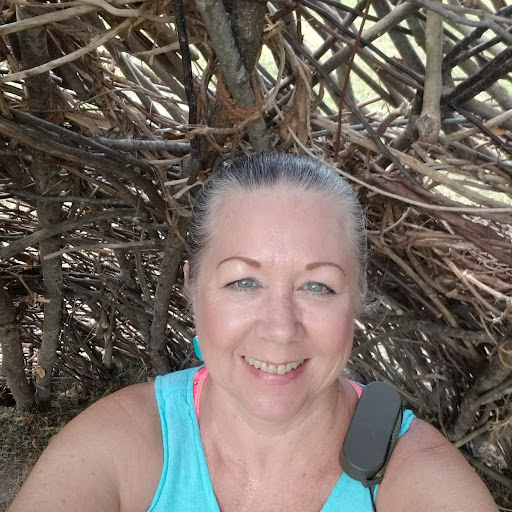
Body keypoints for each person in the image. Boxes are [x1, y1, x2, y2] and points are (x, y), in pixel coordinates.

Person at [8, 153, 497, 512]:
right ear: (192, 288)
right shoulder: (119, 445)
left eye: (318, 286)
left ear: (358, 297)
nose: (280, 329)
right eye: (243, 282)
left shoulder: (417, 475)